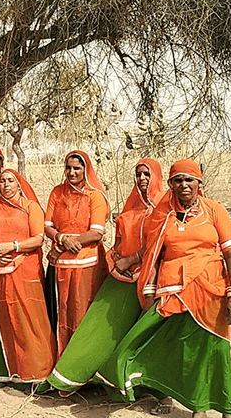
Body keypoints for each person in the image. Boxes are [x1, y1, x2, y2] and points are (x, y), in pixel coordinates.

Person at [96, 159, 231, 418]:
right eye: (178, 180)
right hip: (172, 290)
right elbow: (153, 255)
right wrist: (149, 293)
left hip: (211, 290)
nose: (184, 185)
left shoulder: (214, 210)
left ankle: (226, 409)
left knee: (215, 348)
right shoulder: (162, 217)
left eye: (189, 180)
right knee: (182, 349)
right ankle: (198, 407)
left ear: (200, 183)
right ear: (171, 184)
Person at [47, 159, 166, 399]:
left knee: (146, 329)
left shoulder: (164, 206)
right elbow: (119, 240)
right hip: (121, 275)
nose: (142, 179)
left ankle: (152, 389)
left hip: (152, 275)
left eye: (146, 174)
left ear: (156, 176)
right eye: (138, 174)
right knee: (100, 326)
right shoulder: (132, 206)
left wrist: (131, 260)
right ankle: (73, 375)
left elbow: (159, 245)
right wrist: (117, 260)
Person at [0, 169, 57, 388]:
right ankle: (3, 372)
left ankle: (36, 372)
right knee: (3, 319)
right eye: (2, 181)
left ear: (19, 184)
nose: (6, 184)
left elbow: (38, 238)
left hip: (25, 270)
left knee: (30, 320)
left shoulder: (31, 208)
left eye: (10, 180)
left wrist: (12, 246)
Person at [44, 150, 110, 355]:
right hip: (61, 267)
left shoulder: (95, 196)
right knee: (61, 313)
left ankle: (82, 368)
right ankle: (61, 364)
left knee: (82, 313)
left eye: (77, 168)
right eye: (68, 168)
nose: (71, 172)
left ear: (85, 170)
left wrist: (65, 244)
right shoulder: (57, 192)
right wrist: (62, 239)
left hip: (87, 265)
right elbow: (48, 226)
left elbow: (96, 233)